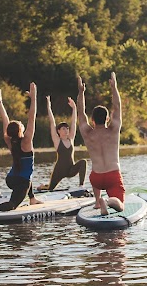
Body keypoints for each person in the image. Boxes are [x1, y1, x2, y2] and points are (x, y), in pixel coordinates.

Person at [0, 83, 42, 212]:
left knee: (28, 174)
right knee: (12, 205)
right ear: (20, 130)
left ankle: (32, 198)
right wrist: (34, 98)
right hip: (21, 182)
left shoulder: (9, 141)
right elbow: (32, 118)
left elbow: (5, 119)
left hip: (11, 179)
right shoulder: (26, 141)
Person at [77, 71, 125, 216]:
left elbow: (80, 112)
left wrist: (81, 92)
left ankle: (98, 201)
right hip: (112, 175)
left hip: (96, 177)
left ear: (92, 120)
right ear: (107, 119)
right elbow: (117, 107)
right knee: (120, 205)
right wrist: (114, 87)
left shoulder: (87, 132)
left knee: (95, 174)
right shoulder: (113, 129)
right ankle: (108, 201)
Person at [37, 95, 87, 191]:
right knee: (50, 188)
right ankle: (43, 186)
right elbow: (52, 123)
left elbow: (74, 122)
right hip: (59, 170)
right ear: (58, 131)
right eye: (63, 129)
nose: (66, 130)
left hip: (70, 170)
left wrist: (74, 108)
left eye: (67, 128)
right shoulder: (57, 141)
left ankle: (81, 186)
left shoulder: (71, 138)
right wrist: (49, 107)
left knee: (83, 162)